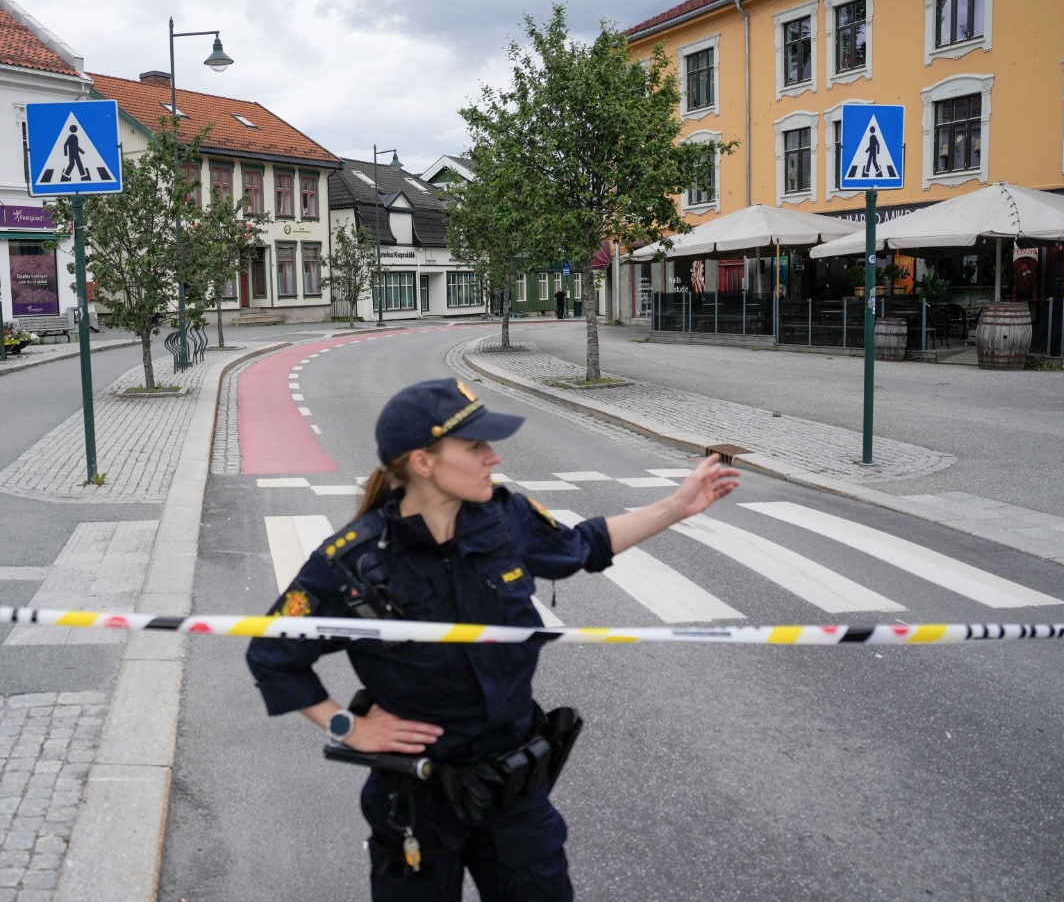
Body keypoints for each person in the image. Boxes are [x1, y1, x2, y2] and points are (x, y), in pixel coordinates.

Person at [246, 378, 739, 900]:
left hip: (515, 793)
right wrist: (346, 727)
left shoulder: (507, 520)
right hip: (417, 800)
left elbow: (582, 545)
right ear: (423, 462)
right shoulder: (353, 561)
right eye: (476, 446)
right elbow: (273, 654)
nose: (494, 457)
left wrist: (678, 505)